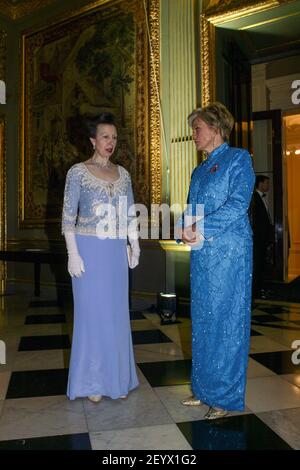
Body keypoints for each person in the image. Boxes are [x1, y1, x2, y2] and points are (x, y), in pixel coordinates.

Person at [177, 102, 255, 419]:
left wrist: (199, 227)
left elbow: (238, 203)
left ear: (216, 128)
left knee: (227, 321)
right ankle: (204, 389)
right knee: (204, 320)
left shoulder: (239, 159)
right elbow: (192, 208)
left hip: (231, 252)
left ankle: (224, 397)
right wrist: (183, 226)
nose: (193, 134)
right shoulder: (199, 169)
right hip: (203, 253)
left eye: (197, 128)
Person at [61, 112, 140, 403]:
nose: (111, 142)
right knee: (91, 315)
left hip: (115, 251)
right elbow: (68, 217)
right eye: (105, 136)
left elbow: (130, 212)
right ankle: (92, 381)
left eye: (114, 137)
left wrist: (135, 245)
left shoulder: (123, 174)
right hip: (88, 251)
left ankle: (117, 379)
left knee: (116, 314)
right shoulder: (77, 172)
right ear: (93, 139)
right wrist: (73, 254)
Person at [250, 175, 273, 299]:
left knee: (261, 265)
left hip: (262, 239)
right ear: (260, 184)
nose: (268, 186)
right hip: (257, 239)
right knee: (257, 266)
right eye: (267, 183)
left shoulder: (261, 197)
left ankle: (259, 289)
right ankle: (256, 292)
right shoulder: (254, 197)